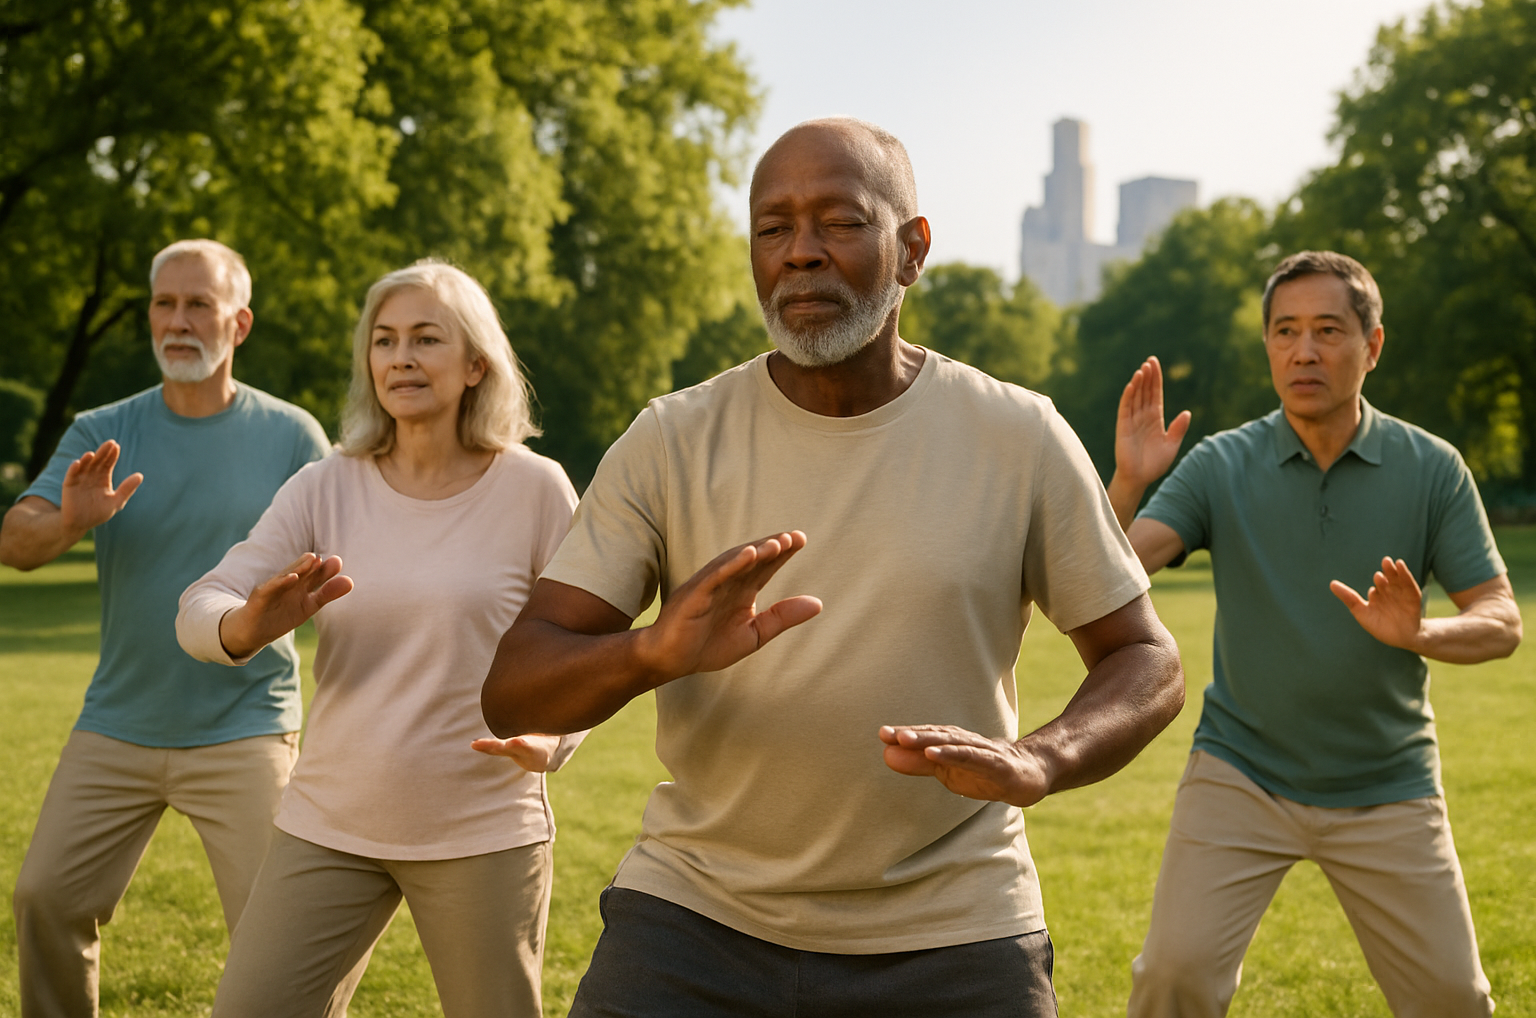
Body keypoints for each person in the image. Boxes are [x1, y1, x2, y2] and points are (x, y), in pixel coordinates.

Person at [480, 117, 1186, 1018]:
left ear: (912, 250)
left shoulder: (1019, 435)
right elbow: (514, 690)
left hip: (956, 926)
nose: (800, 254)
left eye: (840, 223)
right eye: (773, 229)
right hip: (696, 917)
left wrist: (1038, 759)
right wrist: (652, 652)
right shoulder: (670, 438)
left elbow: (1146, 661)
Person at [1109, 251, 1522, 1018]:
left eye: (1329, 330)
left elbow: (1501, 620)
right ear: (1267, 345)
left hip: (1387, 783)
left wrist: (1421, 631)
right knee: (1174, 979)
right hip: (1240, 772)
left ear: (1373, 345)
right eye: (1286, 331)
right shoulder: (1220, 463)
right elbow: (1115, 571)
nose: (1304, 351)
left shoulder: (1433, 468)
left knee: (1453, 1000)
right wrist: (1130, 483)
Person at [176, 260, 580, 1018]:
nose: (401, 357)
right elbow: (202, 605)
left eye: (426, 339)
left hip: (481, 825)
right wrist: (244, 625)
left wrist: (553, 737)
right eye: (384, 340)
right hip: (329, 822)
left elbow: (586, 643)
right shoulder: (325, 486)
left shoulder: (536, 489)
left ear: (475, 364)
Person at [1, 240, 329, 1018]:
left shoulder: (292, 436)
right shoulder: (101, 431)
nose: (177, 321)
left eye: (199, 305)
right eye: (163, 304)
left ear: (238, 324)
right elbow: (16, 544)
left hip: (246, 724)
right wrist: (70, 522)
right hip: (120, 721)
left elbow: (348, 560)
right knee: (44, 897)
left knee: (283, 932)